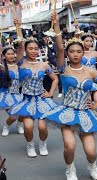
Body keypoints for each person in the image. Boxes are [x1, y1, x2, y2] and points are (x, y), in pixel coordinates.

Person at [42, 13, 97, 180]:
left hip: (85, 113)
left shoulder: (91, 71)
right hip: (67, 112)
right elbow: (59, 47)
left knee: (91, 152)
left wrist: (96, 106)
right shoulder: (63, 68)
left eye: (78, 51)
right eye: (71, 51)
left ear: (83, 53)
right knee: (69, 146)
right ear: (67, 54)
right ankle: (70, 168)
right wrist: (57, 25)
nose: (75, 54)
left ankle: (92, 166)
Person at [9, 18, 58, 158]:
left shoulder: (44, 65)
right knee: (28, 126)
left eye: (36, 48)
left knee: (42, 126)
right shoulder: (21, 63)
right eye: (30, 48)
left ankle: (43, 144)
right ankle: (30, 145)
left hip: (42, 100)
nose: (33, 51)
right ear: (25, 50)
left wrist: (50, 92)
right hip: (26, 100)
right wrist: (17, 27)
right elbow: (19, 47)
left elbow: (55, 79)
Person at [0, 46, 24, 136]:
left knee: (23, 113)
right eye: (8, 54)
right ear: (4, 56)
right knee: (13, 115)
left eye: (12, 54)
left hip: (18, 94)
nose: (11, 56)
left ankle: (20, 125)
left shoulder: (19, 66)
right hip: (6, 94)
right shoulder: (2, 67)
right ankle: (6, 126)